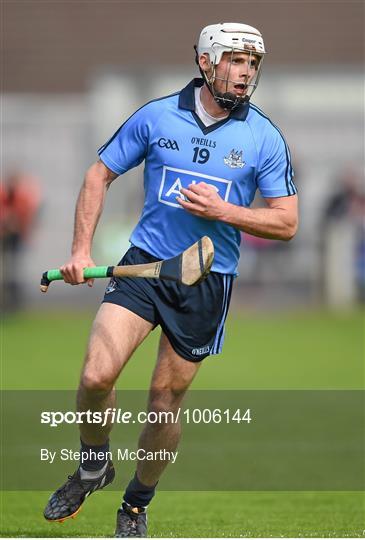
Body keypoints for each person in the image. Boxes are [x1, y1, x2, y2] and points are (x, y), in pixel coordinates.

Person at [43, 22, 298, 537]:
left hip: (207, 280)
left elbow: (287, 222)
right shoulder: (157, 116)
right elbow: (99, 174)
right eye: (235, 61)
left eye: (253, 64)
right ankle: (94, 464)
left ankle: (135, 504)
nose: (246, 74)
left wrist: (226, 211)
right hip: (144, 265)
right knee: (96, 377)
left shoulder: (264, 136)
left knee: (164, 401)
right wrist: (79, 250)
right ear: (206, 62)